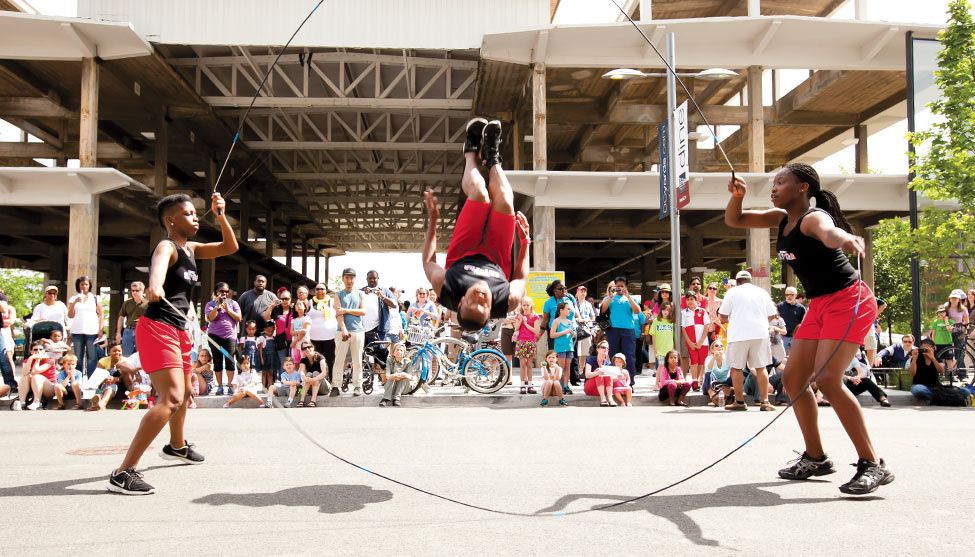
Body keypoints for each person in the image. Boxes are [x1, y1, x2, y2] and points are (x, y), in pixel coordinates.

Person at [726, 163, 891, 495]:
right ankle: (816, 457)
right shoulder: (780, 219)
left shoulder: (813, 219)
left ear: (802, 188)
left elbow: (831, 234)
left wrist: (848, 239)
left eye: (781, 182)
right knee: (792, 378)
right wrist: (737, 198)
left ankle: (872, 463)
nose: (774, 187)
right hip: (819, 304)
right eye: (773, 183)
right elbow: (736, 220)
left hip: (849, 300)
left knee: (828, 379)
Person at [109, 192, 237, 496]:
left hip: (179, 329)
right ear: (170, 220)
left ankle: (177, 445)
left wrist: (221, 215)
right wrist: (154, 285)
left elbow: (229, 247)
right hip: (157, 328)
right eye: (189, 213)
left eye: (196, 213)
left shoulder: (191, 248)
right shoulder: (167, 246)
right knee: (171, 398)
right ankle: (122, 472)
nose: (195, 218)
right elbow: (158, 266)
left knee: (187, 390)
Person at [422, 118, 530, 331]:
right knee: (506, 201)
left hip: (464, 250)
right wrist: (526, 242)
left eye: (473, 302)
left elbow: (428, 262)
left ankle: (470, 151)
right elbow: (520, 277)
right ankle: (492, 157)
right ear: (491, 312)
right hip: (496, 255)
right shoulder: (508, 301)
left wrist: (433, 221)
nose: (480, 297)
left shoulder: (447, 289)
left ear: (461, 302)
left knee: (480, 194)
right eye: (484, 305)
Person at [718, 270, 777, 412]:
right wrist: (761, 323)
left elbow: (723, 315)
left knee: (737, 368)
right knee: (761, 367)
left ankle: (739, 401)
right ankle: (765, 401)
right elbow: (772, 314)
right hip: (760, 333)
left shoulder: (732, 292)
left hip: (738, 334)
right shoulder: (762, 292)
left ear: (737, 282)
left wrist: (729, 320)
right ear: (750, 280)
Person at [333, 268, 367, 397]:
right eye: (347, 277)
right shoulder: (338, 294)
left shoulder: (360, 294)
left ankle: (357, 385)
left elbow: (363, 311)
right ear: (343, 279)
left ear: (355, 279)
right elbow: (338, 313)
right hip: (342, 331)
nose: (349, 280)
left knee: (357, 359)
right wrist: (343, 329)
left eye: (352, 277)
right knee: (339, 359)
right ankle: (336, 385)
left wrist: (346, 310)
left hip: (358, 330)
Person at [599, 277, 640, 383]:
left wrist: (628, 296)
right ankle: (614, 381)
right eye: (618, 286)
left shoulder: (630, 298)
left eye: (622, 286)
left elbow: (637, 311)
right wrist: (610, 297)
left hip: (628, 330)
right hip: (613, 330)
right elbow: (603, 310)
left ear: (626, 287)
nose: (620, 288)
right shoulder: (609, 298)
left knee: (629, 355)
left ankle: (629, 381)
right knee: (613, 354)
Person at [205, 282, 242, 395]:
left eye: (226, 291)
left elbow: (239, 318)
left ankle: (230, 385)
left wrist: (228, 310)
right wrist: (217, 306)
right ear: (217, 292)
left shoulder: (234, 303)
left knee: (230, 360)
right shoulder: (210, 304)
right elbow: (210, 318)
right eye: (222, 291)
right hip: (214, 335)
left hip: (229, 336)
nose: (224, 293)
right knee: (217, 360)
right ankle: (220, 386)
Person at [67, 275, 104, 375]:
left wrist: (100, 329)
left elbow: (100, 314)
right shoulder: (73, 298)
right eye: (82, 284)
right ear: (78, 286)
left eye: (86, 284)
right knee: (78, 356)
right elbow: (70, 315)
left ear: (89, 286)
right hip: (77, 331)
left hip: (91, 331)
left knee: (92, 356)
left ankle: (90, 378)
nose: (84, 286)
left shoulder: (95, 298)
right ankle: (78, 377)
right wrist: (75, 302)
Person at [13, 340, 56, 411]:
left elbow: (35, 371)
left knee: (36, 376)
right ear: (31, 352)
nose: (38, 351)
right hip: (34, 387)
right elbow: (24, 373)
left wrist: (37, 360)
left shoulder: (50, 359)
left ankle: (37, 402)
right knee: (25, 377)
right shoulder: (27, 360)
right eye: (35, 350)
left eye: (40, 349)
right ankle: (22, 403)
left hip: (49, 388)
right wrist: (30, 359)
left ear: (44, 350)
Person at [680, 291, 710, 390]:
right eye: (688, 299)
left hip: (703, 342)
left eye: (692, 299)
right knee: (694, 361)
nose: (690, 301)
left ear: (696, 300)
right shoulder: (683, 313)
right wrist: (689, 342)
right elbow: (683, 328)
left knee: (701, 362)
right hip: (691, 342)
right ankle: (694, 381)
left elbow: (707, 326)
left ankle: (696, 380)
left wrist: (701, 341)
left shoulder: (702, 311)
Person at [512, 297, 540, 394]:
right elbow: (516, 328)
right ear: (521, 306)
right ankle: (522, 385)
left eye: (527, 305)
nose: (526, 307)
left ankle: (530, 385)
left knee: (529, 364)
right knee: (522, 364)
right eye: (524, 305)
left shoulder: (535, 316)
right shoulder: (519, 316)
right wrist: (520, 320)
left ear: (531, 305)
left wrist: (526, 323)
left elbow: (535, 331)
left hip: (530, 341)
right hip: (521, 341)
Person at [361, 270, 398, 343]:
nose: (372, 280)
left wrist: (382, 296)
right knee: (363, 353)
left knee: (378, 352)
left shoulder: (384, 291)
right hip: (362, 329)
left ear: (378, 278)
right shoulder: (361, 291)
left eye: (374, 278)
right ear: (366, 279)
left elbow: (394, 305)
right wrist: (362, 294)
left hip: (379, 328)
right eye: (370, 278)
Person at [549, 302, 575, 395]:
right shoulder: (556, 321)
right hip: (560, 347)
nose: (569, 310)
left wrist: (572, 334)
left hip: (569, 346)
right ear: (561, 310)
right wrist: (565, 332)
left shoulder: (570, 322)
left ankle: (566, 385)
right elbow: (552, 334)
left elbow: (571, 333)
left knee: (568, 367)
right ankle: (559, 384)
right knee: (561, 367)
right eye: (567, 309)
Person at [115, 281, 148, 356]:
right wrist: (118, 333)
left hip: (142, 330)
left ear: (142, 291)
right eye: (133, 290)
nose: (134, 292)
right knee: (126, 355)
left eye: (137, 290)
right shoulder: (127, 303)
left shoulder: (148, 303)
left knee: (141, 355)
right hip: (128, 331)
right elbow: (121, 318)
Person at [380, 342, 412, 407]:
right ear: (393, 352)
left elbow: (410, 377)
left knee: (403, 377)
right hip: (392, 386)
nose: (399, 352)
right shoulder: (389, 360)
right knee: (393, 376)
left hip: (404, 388)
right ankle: (385, 398)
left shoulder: (408, 362)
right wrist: (393, 376)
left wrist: (403, 374)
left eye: (401, 350)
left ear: (404, 354)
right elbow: (387, 376)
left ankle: (396, 399)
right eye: (397, 350)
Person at [297, 341, 328, 407]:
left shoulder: (320, 357)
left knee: (315, 373)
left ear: (313, 347)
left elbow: (324, 373)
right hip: (310, 388)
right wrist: (305, 378)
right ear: (302, 351)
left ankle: (313, 400)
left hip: (324, 388)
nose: (307, 349)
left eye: (309, 347)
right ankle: (301, 400)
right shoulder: (304, 360)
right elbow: (301, 371)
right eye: (304, 348)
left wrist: (314, 379)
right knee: (308, 374)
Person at [776, 286, 806, 355]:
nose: (789, 296)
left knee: (796, 357)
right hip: (782, 337)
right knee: (780, 358)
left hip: (795, 337)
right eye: (787, 294)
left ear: (795, 295)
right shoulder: (779, 307)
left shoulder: (801, 308)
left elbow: (802, 323)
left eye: (791, 295)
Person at [583, 341, 614, 406]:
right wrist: (597, 373)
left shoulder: (608, 363)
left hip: (604, 389)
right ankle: (603, 399)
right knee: (599, 371)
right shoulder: (591, 360)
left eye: (607, 348)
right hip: (590, 388)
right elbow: (587, 375)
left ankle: (610, 399)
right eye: (603, 347)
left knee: (608, 374)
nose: (605, 349)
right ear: (597, 349)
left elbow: (611, 379)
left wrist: (619, 377)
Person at [703, 341, 733, 407]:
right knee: (708, 374)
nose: (720, 347)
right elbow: (708, 370)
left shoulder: (727, 359)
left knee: (735, 375)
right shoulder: (709, 358)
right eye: (716, 346)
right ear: (712, 350)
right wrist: (714, 358)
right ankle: (713, 398)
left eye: (722, 346)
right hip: (712, 384)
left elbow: (735, 369)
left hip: (724, 383)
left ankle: (732, 396)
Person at [648, 302, 676, 368]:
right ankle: (658, 378)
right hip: (660, 349)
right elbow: (653, 334)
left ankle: (666, 378)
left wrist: (673, 348)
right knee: (661, 366)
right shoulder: (656, 321)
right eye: (663, 310)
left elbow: (673, 337)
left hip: (669, 349)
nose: (665, 312)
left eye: (667, 310)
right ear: (660, 310)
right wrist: (655, 347)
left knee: (669, 366)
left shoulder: (671, 322)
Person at [258, 322, 276, 390]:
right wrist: (261, 358)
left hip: (272, 358)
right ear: (265, 329)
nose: (270, 333)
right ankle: (263, 388)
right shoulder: (262, 338)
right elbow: (260, 349)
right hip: (265, 357)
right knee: (264, 372)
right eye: (268, 331)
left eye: (272, 331)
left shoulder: (273, 338)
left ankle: (270, 387)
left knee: (270, 372)